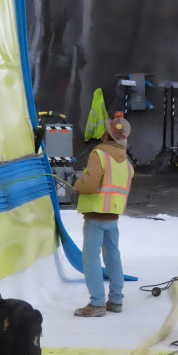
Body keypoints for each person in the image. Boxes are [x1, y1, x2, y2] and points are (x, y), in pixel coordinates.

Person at [73, 113, 134, 317]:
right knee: (113, 256)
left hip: (95, 217)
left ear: (107, 135)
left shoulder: (98, 155)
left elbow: (90, 184)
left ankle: (97, 303)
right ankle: (116, 300)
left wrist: (77, 184)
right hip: (113, 217)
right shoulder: (126, 163)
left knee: (90, 258)